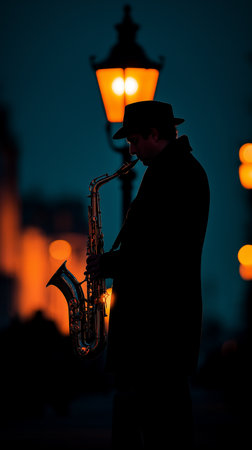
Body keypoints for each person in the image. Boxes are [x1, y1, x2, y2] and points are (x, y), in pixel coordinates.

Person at [85, 101, 210, 449]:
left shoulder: (177, 173)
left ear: (156, 134)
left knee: (159, 429)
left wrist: (109, 264)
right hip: (158, 329)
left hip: (157, 328)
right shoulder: (175, 170)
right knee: (157, 425)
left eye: (136, 140)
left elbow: (164, 250)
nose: (132, 150)